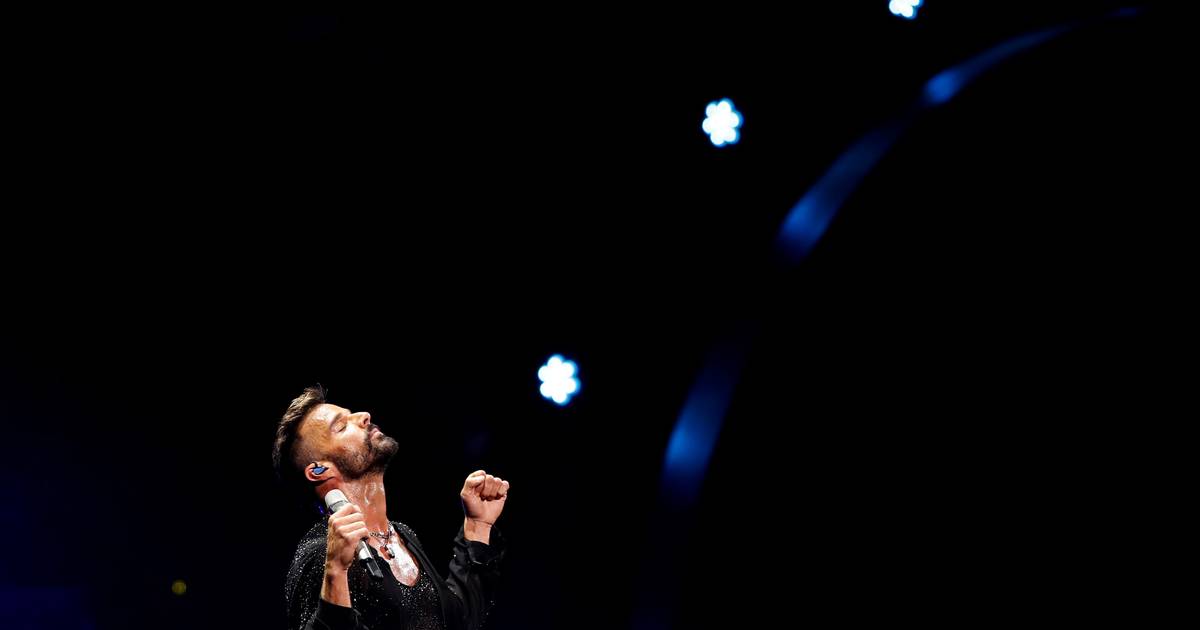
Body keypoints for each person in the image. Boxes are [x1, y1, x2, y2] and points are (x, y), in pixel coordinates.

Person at [272, 385, 510, 630]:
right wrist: (335, 571)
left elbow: (459, 621)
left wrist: (478, 526)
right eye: (341, 426)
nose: (364, 416)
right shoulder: (320, 555)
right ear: (319, 470)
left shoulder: (402, 535)